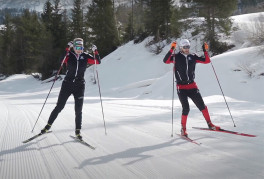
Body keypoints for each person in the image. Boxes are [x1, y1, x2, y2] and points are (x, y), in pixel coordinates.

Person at [40, 38, 101, 140]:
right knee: (59, 107)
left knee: (78, 110)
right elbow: (61, 60)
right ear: (74, 47)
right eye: (77, 47)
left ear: (83, 47)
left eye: (80, 47)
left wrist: (95, 51)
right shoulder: (69, 55)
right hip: (67, 85)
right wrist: (67, 48)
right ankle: (48, 126)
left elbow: (97, 61)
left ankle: (78, 131)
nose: (79, 49)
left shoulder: (85, 56)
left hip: (79, 86)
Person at [163, 39, 220, 137]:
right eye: (184, 47)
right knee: (186, 108)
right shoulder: (176, 57)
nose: (186, 49)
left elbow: (207, 61)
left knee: (202, 106)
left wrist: (205, 51)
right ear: (181, 47)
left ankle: (210, 124)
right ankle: (183, 129)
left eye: (188, 47)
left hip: (192, 86)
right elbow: (166, 61)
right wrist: (172, 49)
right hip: (181, 87)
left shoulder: (193, 57)